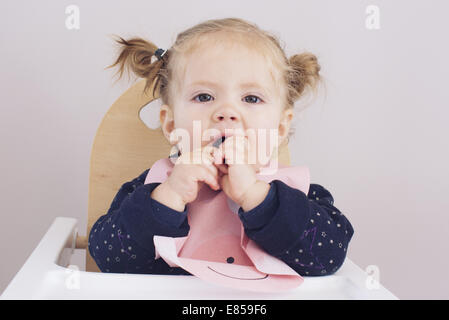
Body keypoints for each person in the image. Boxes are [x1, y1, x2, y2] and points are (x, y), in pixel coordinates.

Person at [88, 17, 354, 276]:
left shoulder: (300, 196)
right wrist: (168, 198)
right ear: (171, 125)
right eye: (204, 96)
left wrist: (257, 196)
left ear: (279, 130)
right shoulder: (154, 188)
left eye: (251, 98)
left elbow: (328, 258)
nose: (226, 112)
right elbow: (108, 259)